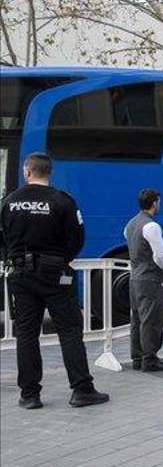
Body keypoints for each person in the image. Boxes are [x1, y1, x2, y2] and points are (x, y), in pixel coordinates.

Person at [0, 152, 110, 409]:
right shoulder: (62, 201)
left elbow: (2, 238)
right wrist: (61, 259)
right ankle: (81, 390)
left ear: (27, 172)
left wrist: (13, 257)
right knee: (70, 331)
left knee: (26, 334)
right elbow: (76, 238)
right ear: (49, 173)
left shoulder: (9, 201)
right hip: (55, 274)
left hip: (20, 275)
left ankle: (29, 395)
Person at [124, 189, 163, 372]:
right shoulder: (152, 226)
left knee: (137, 318)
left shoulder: (130, 224)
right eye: (159, 202)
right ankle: (150, 358)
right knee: (151, 319)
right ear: (154, 203)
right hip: (150, 278)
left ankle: (137, 357)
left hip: (134, 277)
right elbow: (160, 255)